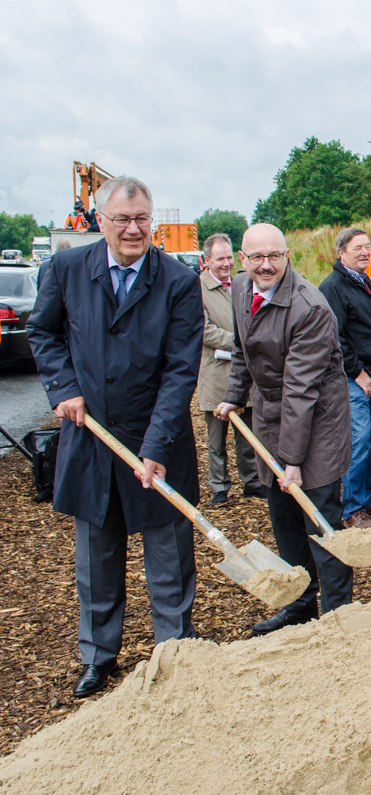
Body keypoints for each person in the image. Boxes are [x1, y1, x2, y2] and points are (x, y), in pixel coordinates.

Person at [28, 176, 203, 697]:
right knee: (96, 557)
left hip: (159, 435)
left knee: (169, 555)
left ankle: (175, 649)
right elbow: (43, 331)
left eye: (142, 218)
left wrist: (154, 445)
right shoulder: (64, 269)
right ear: (99, 221)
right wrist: (64, 387)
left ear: (154, 222)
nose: (133, 228)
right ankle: (99, 656)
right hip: (91, 436)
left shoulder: (175, 280)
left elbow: (179, 371)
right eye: (123, 219)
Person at [216, 223, 353, 634]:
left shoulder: (308, 307)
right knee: (284, 516)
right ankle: (300, 604)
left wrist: (291, 460)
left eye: (274, 256)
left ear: (287, 255)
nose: (266, 265)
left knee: (320, 518)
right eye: (256, 257)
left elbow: (300, 389)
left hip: (317, 417)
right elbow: (244, 350)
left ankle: (337, 613)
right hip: (271, 415)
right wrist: (234, 394)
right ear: (243, 260)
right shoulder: (241, 289)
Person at [319, 227, 371, 529]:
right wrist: (358, 372)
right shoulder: (334, 287)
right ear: (342, 253)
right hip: (354, 378)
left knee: (369, 439)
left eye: (367, 247)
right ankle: (351, 509)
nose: (365, 252)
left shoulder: (364, 281)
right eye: (357, 248)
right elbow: (334, 337)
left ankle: (365, 499)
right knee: (358, 441)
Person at [197, 232, 265, 506]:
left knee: (247, 435)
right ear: (206, 260)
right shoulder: (197, 289)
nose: (226, 263)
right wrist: (241, 341)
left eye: (229, 257)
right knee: (216, 439)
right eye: (219, 259)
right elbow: (203, 329)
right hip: (216, 375)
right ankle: (219, 487)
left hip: (244, 375)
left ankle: (251, 482)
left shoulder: (242, 283)